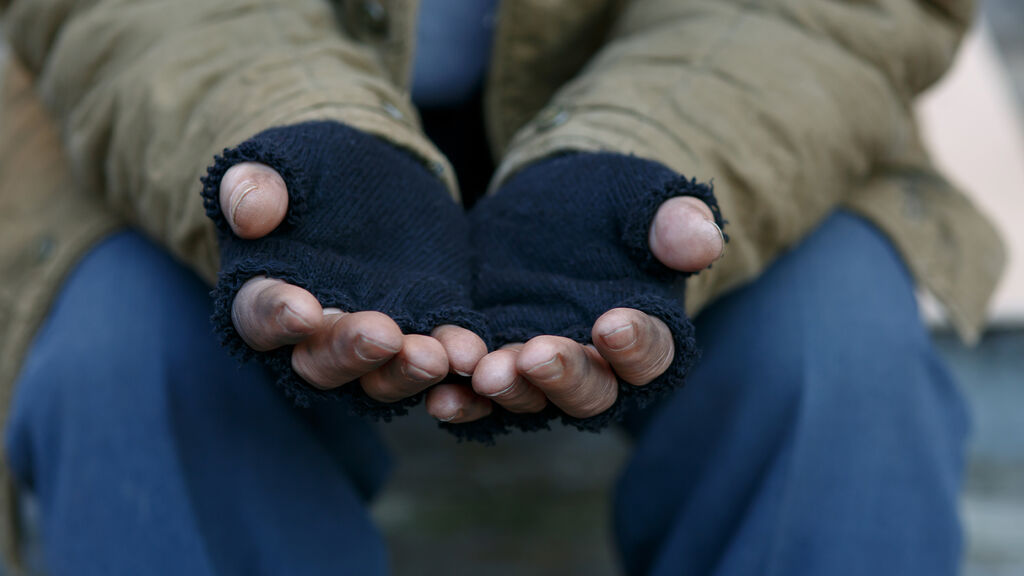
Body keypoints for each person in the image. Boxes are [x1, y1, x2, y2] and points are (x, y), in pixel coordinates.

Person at [0, 0, 1005, 574]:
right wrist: (296, 138)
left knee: (838, 356)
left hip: (731, 112)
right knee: (124, 359)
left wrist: (640, 156)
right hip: (189, 98)